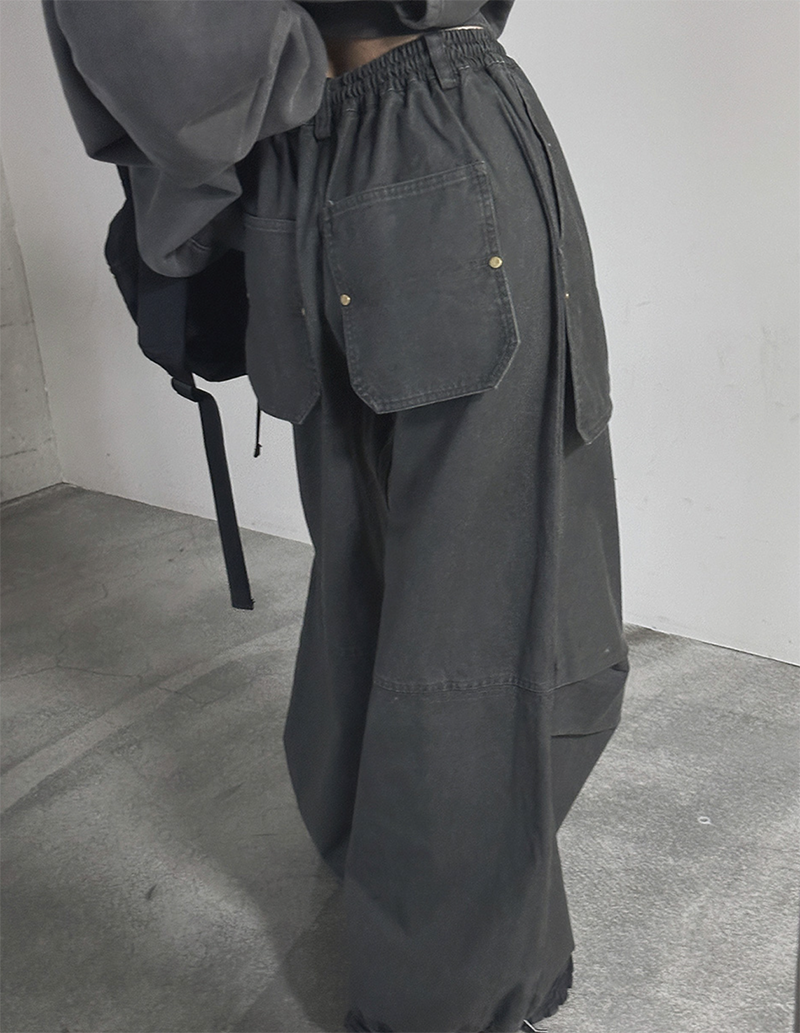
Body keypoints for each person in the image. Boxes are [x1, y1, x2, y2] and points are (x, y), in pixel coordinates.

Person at [43, 3, 629, 1031]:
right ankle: (446, 997)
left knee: (369, 556)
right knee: (495, 613)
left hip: (307, 168)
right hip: (435, 128)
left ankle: (373, 848)